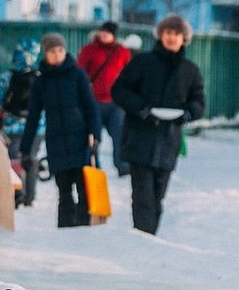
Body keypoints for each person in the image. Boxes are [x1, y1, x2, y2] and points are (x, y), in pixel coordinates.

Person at [110, 14, 205, 236]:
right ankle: (144, 239)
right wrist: (142, 108)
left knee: (157, 197)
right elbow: (119, 91)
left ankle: (149, 238)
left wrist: (186, 114)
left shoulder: (189, 70)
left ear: (184, 39)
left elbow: (199, 102)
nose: (171, 38)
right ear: (160, 35)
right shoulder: (143, 62)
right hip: (139, 138)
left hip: (168, 141)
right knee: (142, 196)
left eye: (176, 34)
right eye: (168, 33)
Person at [19, 33, 101, 228]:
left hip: (80, 138)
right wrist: (25, 148)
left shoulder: (77, 74)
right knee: (64, 189)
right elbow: (33, 115)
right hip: (56, 140)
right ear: (46, 54)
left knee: (83, 187)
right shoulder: (41, 81)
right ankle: (66, 229)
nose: (57, 55)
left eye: (60, 51)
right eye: (52, 51)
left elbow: (91, 106)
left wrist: (95, 135)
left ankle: (83, 227)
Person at [0, 37, 43, 208]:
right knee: (31, 158)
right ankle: (31, 196)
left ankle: (18, 193)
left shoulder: (7, 76)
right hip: (37, 126)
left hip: (12, 125)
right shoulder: (40, 77)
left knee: (14, 159)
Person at [77, 21, 132, 177]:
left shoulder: (122, 52)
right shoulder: (89, 50)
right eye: (102, 31)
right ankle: (91, 164)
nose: (104, 34)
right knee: (92, 136)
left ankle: (123, 165)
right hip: (94, 101)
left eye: (107, 32)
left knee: (119, 135)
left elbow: (128, 74)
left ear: (113, 35)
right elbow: (81, 73)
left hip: (115, 102)